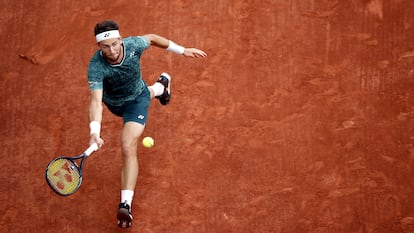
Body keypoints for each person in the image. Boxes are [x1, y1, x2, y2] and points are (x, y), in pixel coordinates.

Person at [87, 20, 207, 228]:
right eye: (105, 47)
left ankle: (126, 204)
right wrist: (94, 131)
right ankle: (161, 87)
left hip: (136, 100)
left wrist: (183, 50)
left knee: (127, 145)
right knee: (149, 93)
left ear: (121, 40)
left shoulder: (133, 45)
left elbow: (151, 38)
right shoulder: (96, 67)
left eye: (115, 44)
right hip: (114, 104)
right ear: (99, 47)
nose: (112, 50)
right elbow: (96, 101)